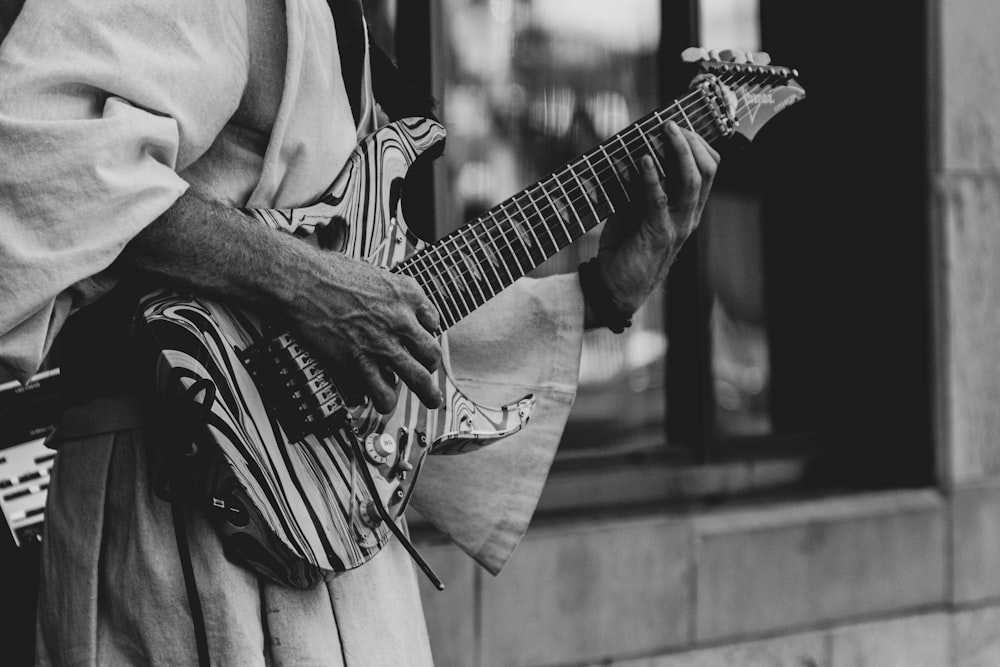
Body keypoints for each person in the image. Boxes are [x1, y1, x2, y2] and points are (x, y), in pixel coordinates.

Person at [0, 0, 740, 664]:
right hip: (178, 517)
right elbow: (36, 159)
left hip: (331, 521)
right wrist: (305, 283)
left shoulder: (342, 22)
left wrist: (603, 291)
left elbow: (382, 307)